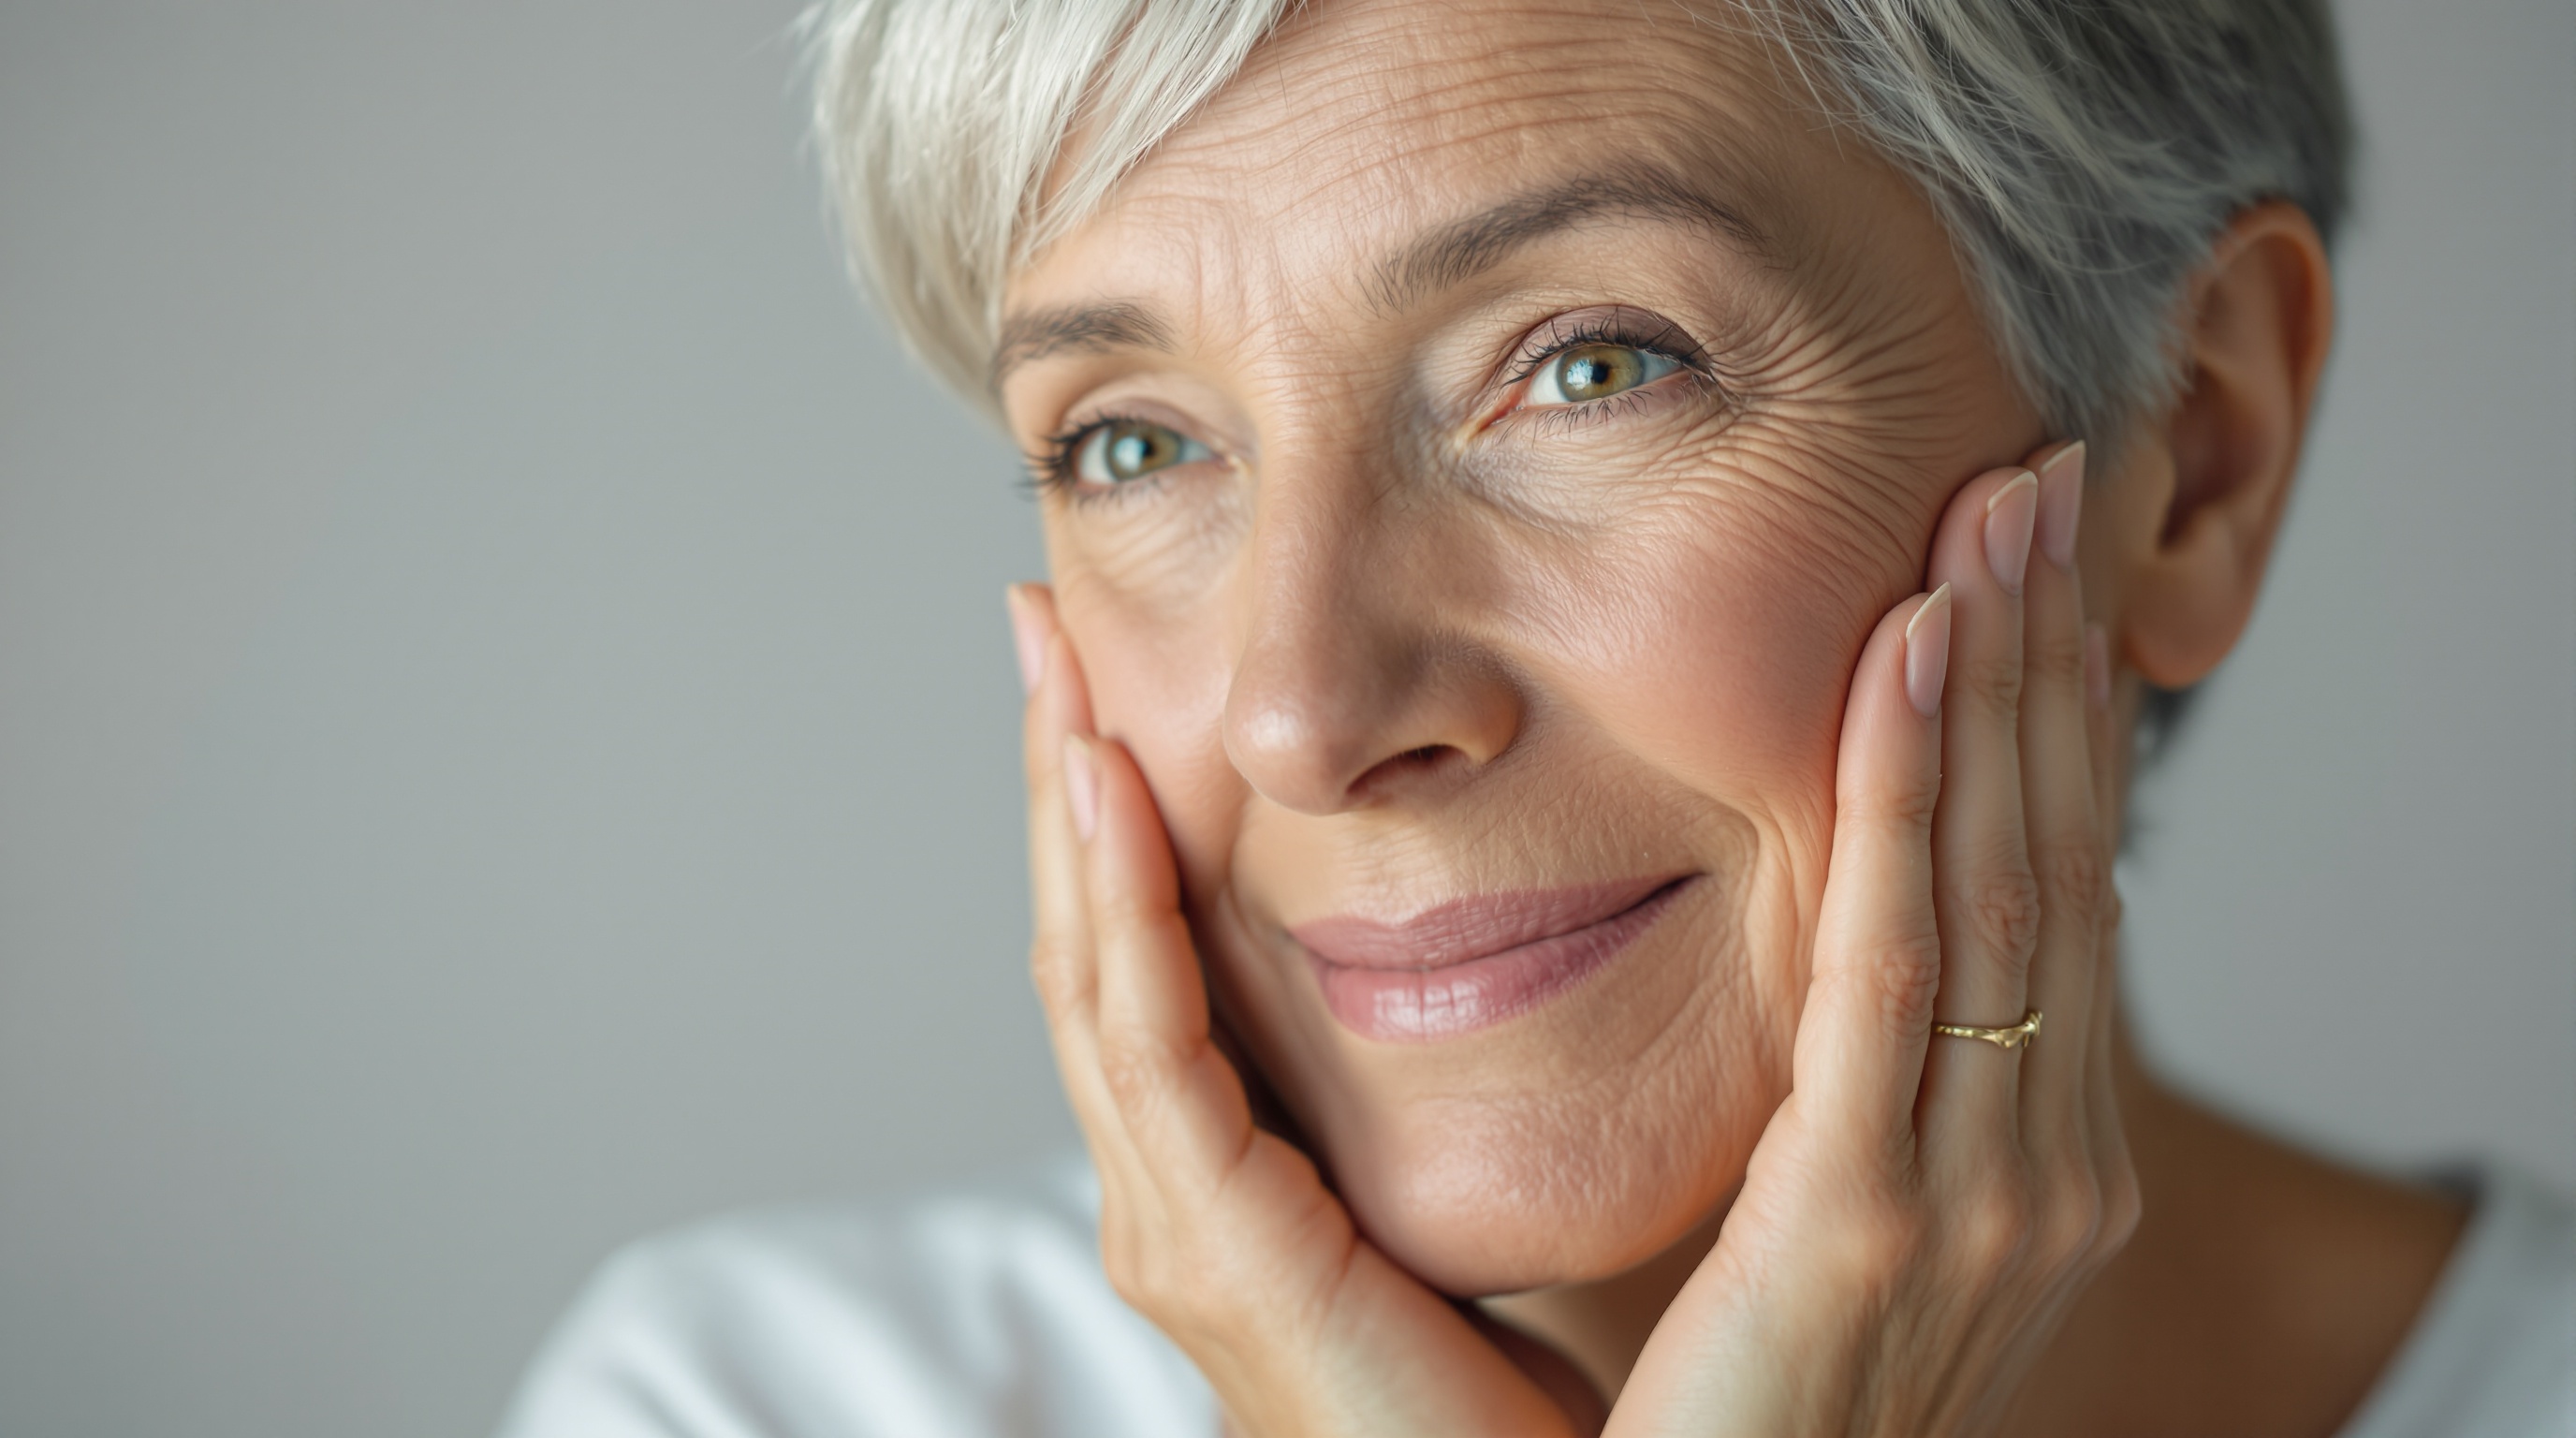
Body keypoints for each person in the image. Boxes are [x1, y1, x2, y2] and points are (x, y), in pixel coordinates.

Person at [495, 0, 2576, 1433]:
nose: (1306, 709)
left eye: (1586, 367)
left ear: (2189, 453)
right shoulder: (753, 1398)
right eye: (1133, 445)